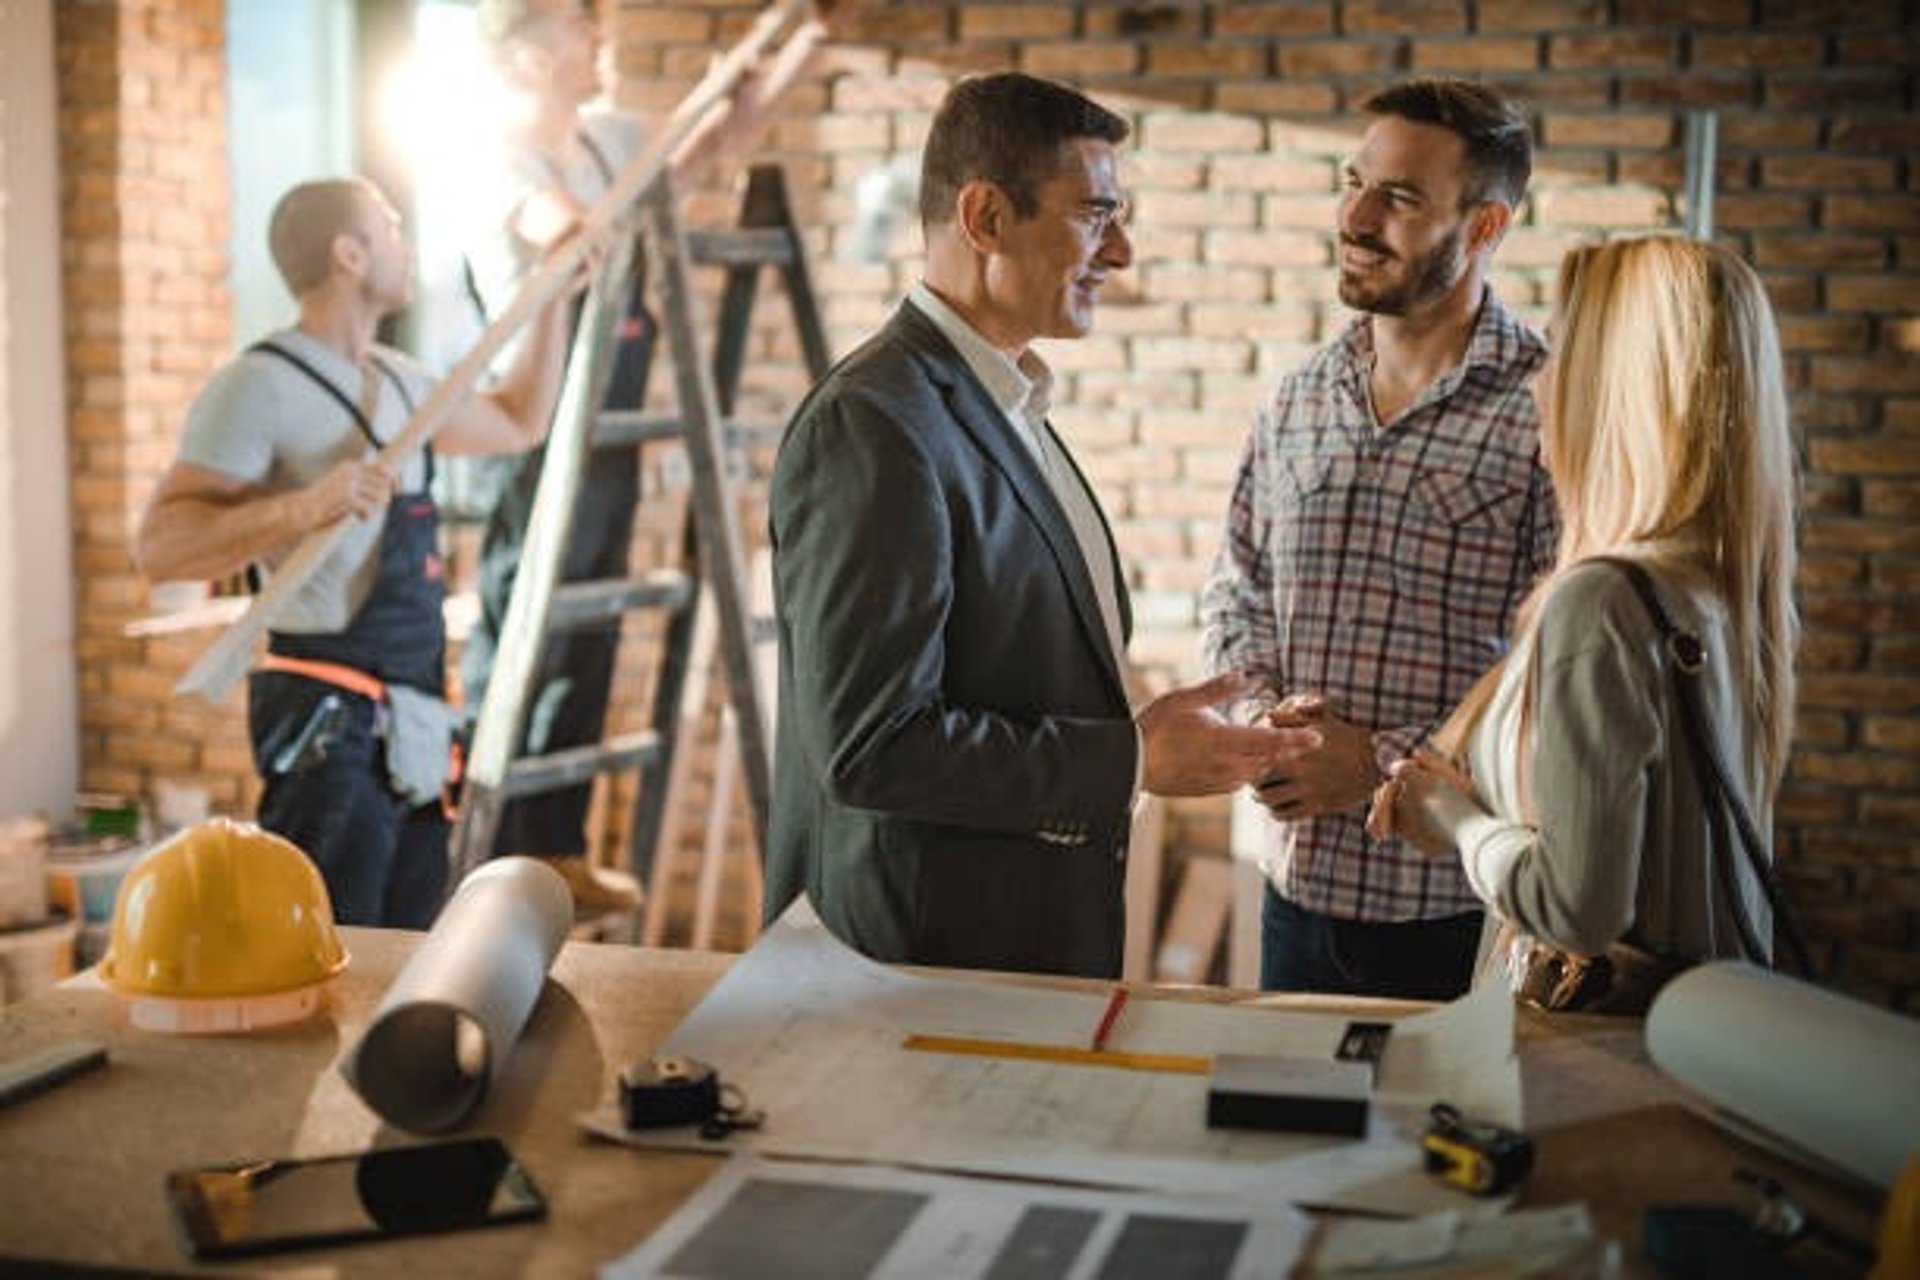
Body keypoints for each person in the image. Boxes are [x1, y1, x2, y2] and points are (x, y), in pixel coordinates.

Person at [765, 72, 1309, 979]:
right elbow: (871, 747)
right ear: (985, 219)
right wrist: (1129, 759)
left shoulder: (1003, 401)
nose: (1122, 251)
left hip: (1003, 949)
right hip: (915, 969)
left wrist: (1139, 731)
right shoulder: (873, 424)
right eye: (1096, 215)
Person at [458, 0, 840, 911]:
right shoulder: (496, 151)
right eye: (574, 25)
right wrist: (619, 198)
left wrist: (802, 42)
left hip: (611, 410)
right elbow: (562, 230)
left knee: (590, 634)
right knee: (532, 631)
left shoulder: (604, 139)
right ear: (521, 55)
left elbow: (713, 140)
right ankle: (501, 855)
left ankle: (557, 847)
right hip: (538, 421)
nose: (596, 38)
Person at [136, 177, 579, 928]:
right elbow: (162, 546)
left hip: (414, 713)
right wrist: (305, 507)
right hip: (324, 721)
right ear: (348, 254)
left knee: (408, 950)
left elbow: (518, 420)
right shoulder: (258, 387)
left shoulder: (402, 383)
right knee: (333, 946)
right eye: (391, 229)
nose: (408, 247)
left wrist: (555, 296)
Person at [1199, 78, 1558, 1000]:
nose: (1353, 216)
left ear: (1483, 228)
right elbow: (1236, 590)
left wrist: (1379, 763)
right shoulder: (1299, 396)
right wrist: (1268, 731)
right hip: (1293, 895)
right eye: (1352, 181)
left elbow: (1560, 674)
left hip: (1458, 909)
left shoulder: (1554, 413)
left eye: (1397, 197)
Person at [1366, 234, 1797, 988]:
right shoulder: (1715, 592)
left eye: (1560, 351)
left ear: (1617, 386)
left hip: (1602, 1070)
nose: (1537, 385)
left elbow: (1577, 910)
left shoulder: (1599, 606)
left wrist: (1454, 821)